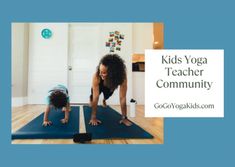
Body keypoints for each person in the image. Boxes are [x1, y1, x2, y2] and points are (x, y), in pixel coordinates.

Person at [89, 54, 132, 126]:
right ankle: (90, 99)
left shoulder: (122, 77)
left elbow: (122, 98)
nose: (100, 74)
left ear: (113, 73)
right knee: (93, 96)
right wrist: (93, 117)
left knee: (107, 95)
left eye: (103, 72)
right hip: (99, 84)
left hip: (110, 83)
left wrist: (124, 118)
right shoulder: (97, 76)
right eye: (100, 71)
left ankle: (104, 99)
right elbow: (96, 97)